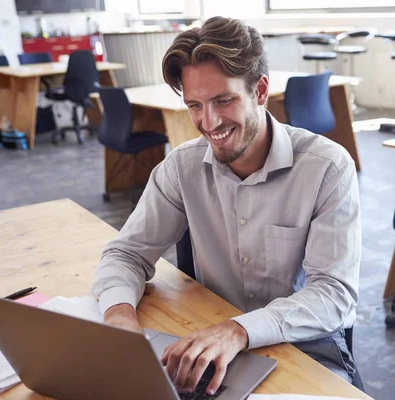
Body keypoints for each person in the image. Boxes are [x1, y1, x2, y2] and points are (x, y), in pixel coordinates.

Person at [91, 16, 361, 396]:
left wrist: (238, 330)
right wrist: (118, 314)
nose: (209, 122)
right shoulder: (180, 168)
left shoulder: (328, 168)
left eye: (224, 100)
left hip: (305, 347)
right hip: (210, 339)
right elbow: (126, 253)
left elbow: (334, 294)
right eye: (195, 105)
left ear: (261, 90)